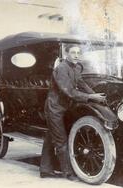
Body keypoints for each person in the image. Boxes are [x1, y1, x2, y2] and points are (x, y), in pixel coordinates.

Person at [40, 44, 106, 180]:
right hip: (55, 107)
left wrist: (96, 95)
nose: (76, 55)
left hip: (65, 107)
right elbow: (69, 91)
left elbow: (81, 83)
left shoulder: (75, 67)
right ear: (66, 54)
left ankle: (45, 169)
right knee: (61, 140)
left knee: (51, 137)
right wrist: (91, 97)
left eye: (78, 52)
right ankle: (68, 173)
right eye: (73, 52)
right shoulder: (62, 69)